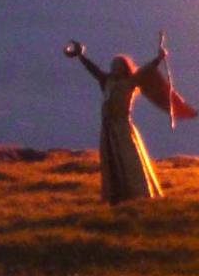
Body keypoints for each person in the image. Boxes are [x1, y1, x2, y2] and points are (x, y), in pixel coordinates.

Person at [64, 39, 168, 204]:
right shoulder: (107, 81)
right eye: (113, 65)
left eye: (117, 65)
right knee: (111, 162)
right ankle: (116, 196)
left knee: (129, 160)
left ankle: (138, 194)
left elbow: (145, 71)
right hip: (109, 128)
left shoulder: (130, 83)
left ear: (124, 68)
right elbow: (94, 70)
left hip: (122, 128)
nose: (114, 68)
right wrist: (81, 56)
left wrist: (159, 59)